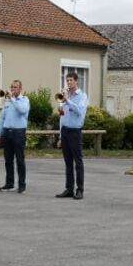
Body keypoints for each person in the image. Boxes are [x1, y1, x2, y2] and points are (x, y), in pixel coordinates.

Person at [55, 72, 88, 200]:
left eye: (71, 80)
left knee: (78, 162)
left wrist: (67, 100)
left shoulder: (82, 96)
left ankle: (79, 190)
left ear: (76, 81)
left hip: (75, 132)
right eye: (67, 80)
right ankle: (69, 189)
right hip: (65, 131)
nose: (68, 83)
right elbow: (61, 117)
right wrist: (60, 136)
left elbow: (80, 111)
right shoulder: (65, 96)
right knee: (68, 162)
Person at [0, 80, 30, 193]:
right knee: (8, 160)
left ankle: (22, 185)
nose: (12, 89)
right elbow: (2, 118)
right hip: (7, 131)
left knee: (20, 160)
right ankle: (9, 184)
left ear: (20, 89)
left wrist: (13, 99)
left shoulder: (24, 100)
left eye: (15, 87)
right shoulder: (8, 102)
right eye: (11, 87)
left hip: (18, 132)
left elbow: (22, 110)